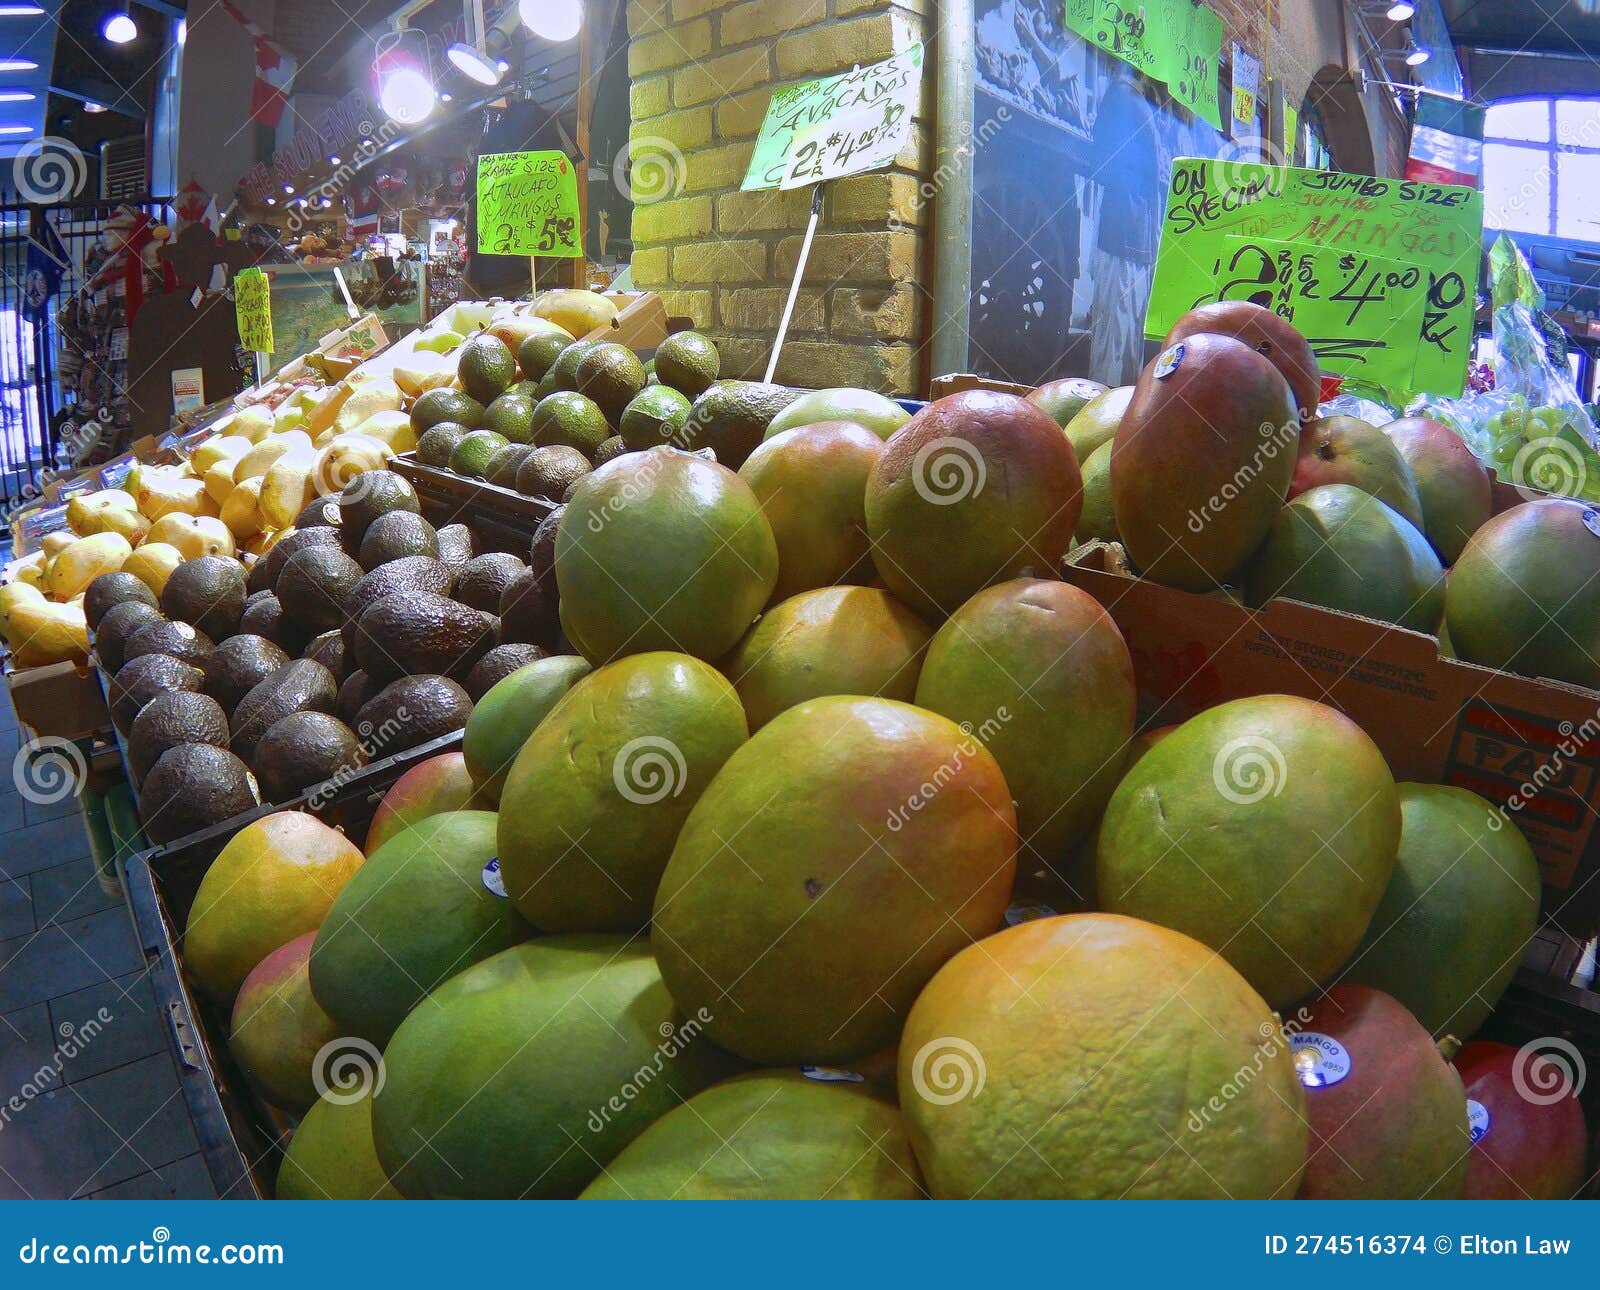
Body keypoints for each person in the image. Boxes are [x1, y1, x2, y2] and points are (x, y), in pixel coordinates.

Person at [1086, 71, 1162, 385]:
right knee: (1114, 342)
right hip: (1124, 236)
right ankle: (1103, 420)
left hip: (1132, 239)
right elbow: (1110, 163)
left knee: (1123, 342)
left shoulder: (1133, 101)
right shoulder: (1125, 98)